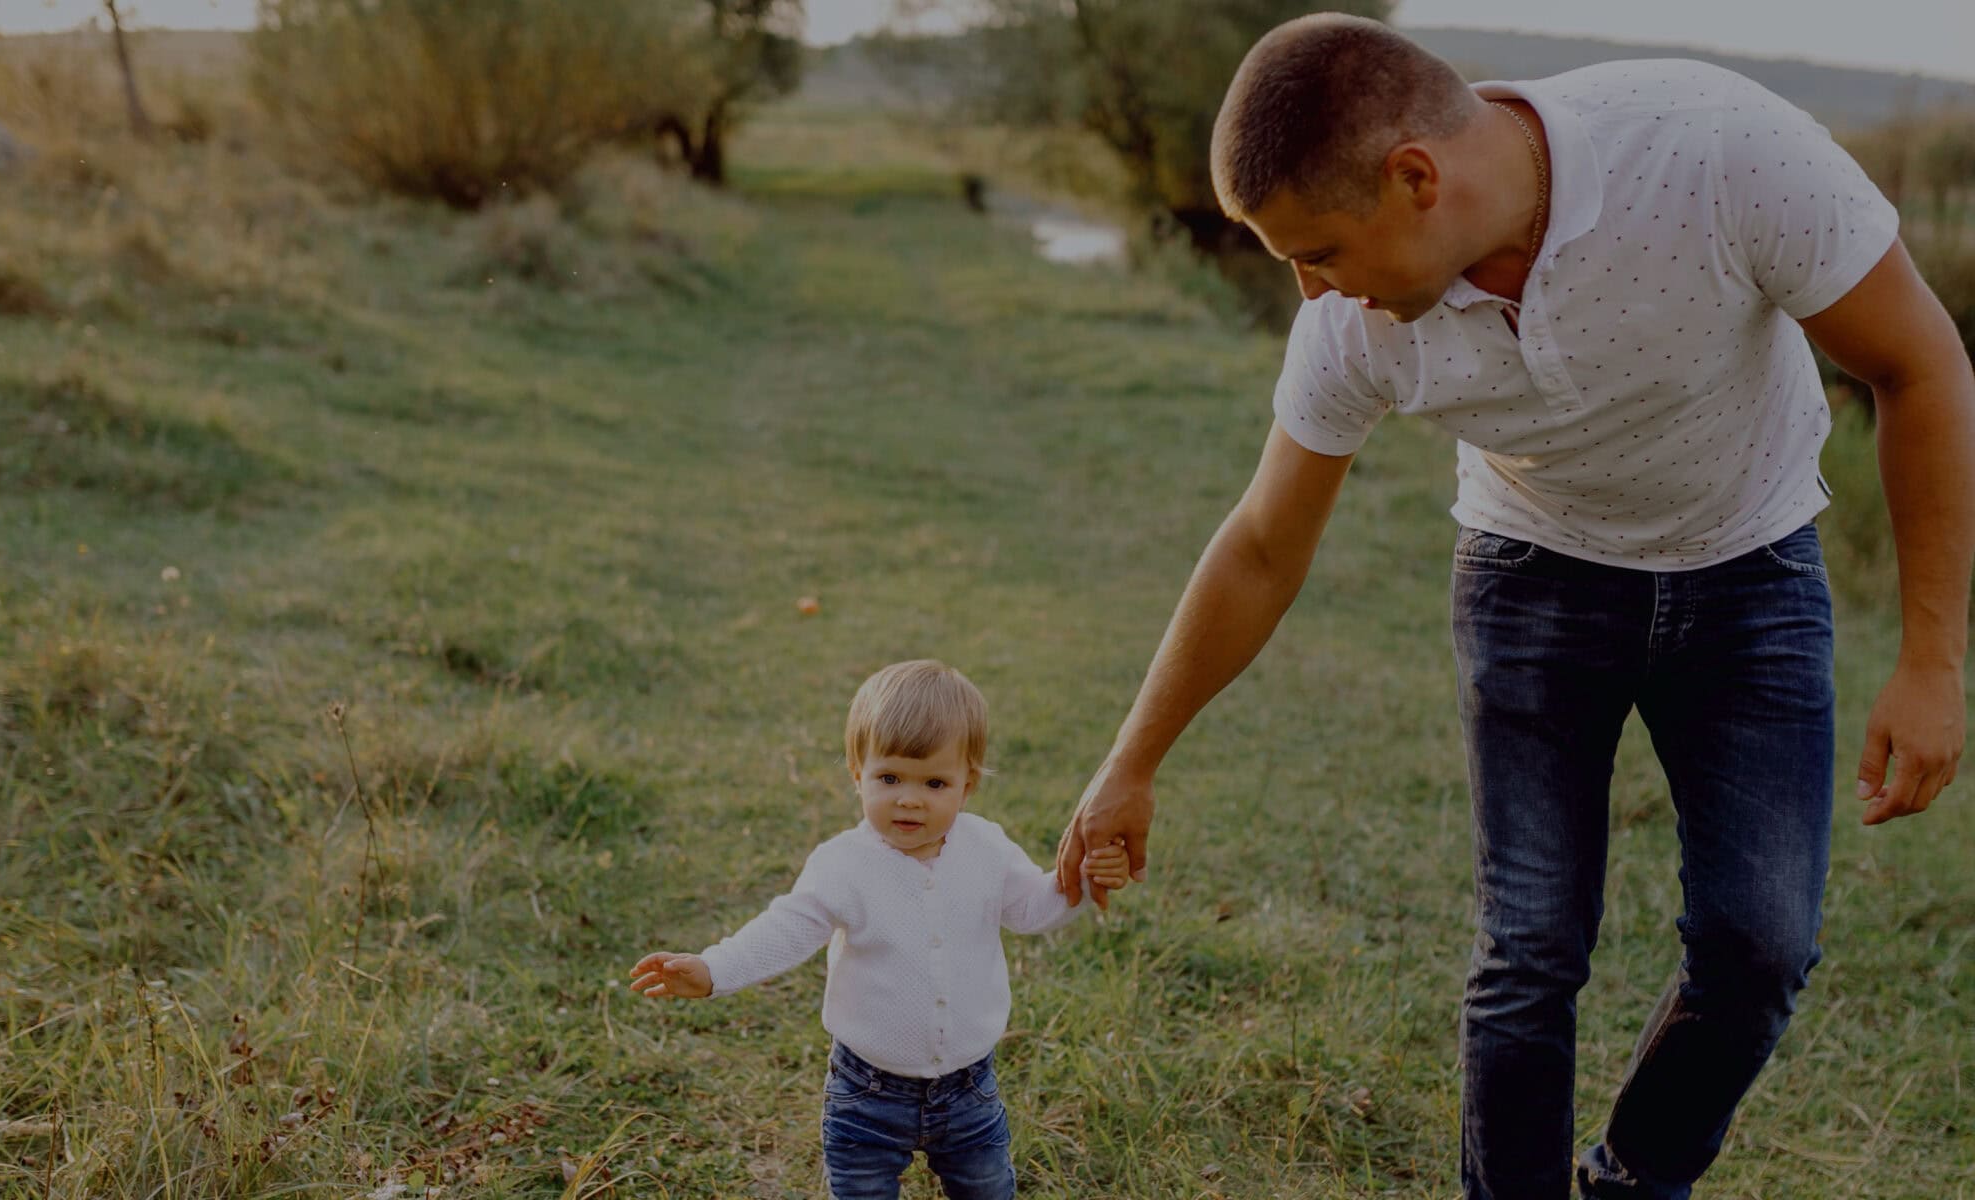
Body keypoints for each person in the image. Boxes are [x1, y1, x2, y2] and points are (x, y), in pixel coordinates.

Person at [1052, 14, 1974, 1200]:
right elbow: (1260, 546)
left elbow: (1918, 367)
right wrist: (1131, 761)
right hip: (1531, 578)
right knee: (1529, 951)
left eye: (1319, 249)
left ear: (1415, 179)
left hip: (1749, 571)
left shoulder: (1716, 153)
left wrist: (1932, 658)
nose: (1310, 290)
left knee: (1757, 951)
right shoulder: (1347, 326)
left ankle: (1632, 1179)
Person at [631, 659, 1131, 1200]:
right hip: (865, 1092)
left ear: (967, 787)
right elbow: (787, 927)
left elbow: (1034, 908)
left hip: (969, 1089)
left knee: (988, 1189)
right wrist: (713, 970)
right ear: (856, 774)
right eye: (889, 778)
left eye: (935, 782)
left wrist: (1078, 878)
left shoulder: (985, 850)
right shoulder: (844, 865)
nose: (909, 798)